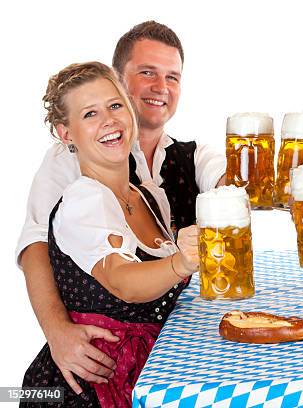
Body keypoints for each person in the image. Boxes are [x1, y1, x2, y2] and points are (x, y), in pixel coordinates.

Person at [16, 21, 224, 394]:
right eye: (147, 72)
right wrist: (58, 332)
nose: (161, 87)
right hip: (90, 380)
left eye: (172, 76)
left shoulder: (151, 188)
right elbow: (39, 247)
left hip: (156, 363)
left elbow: (230, 184)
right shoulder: (74, 177)